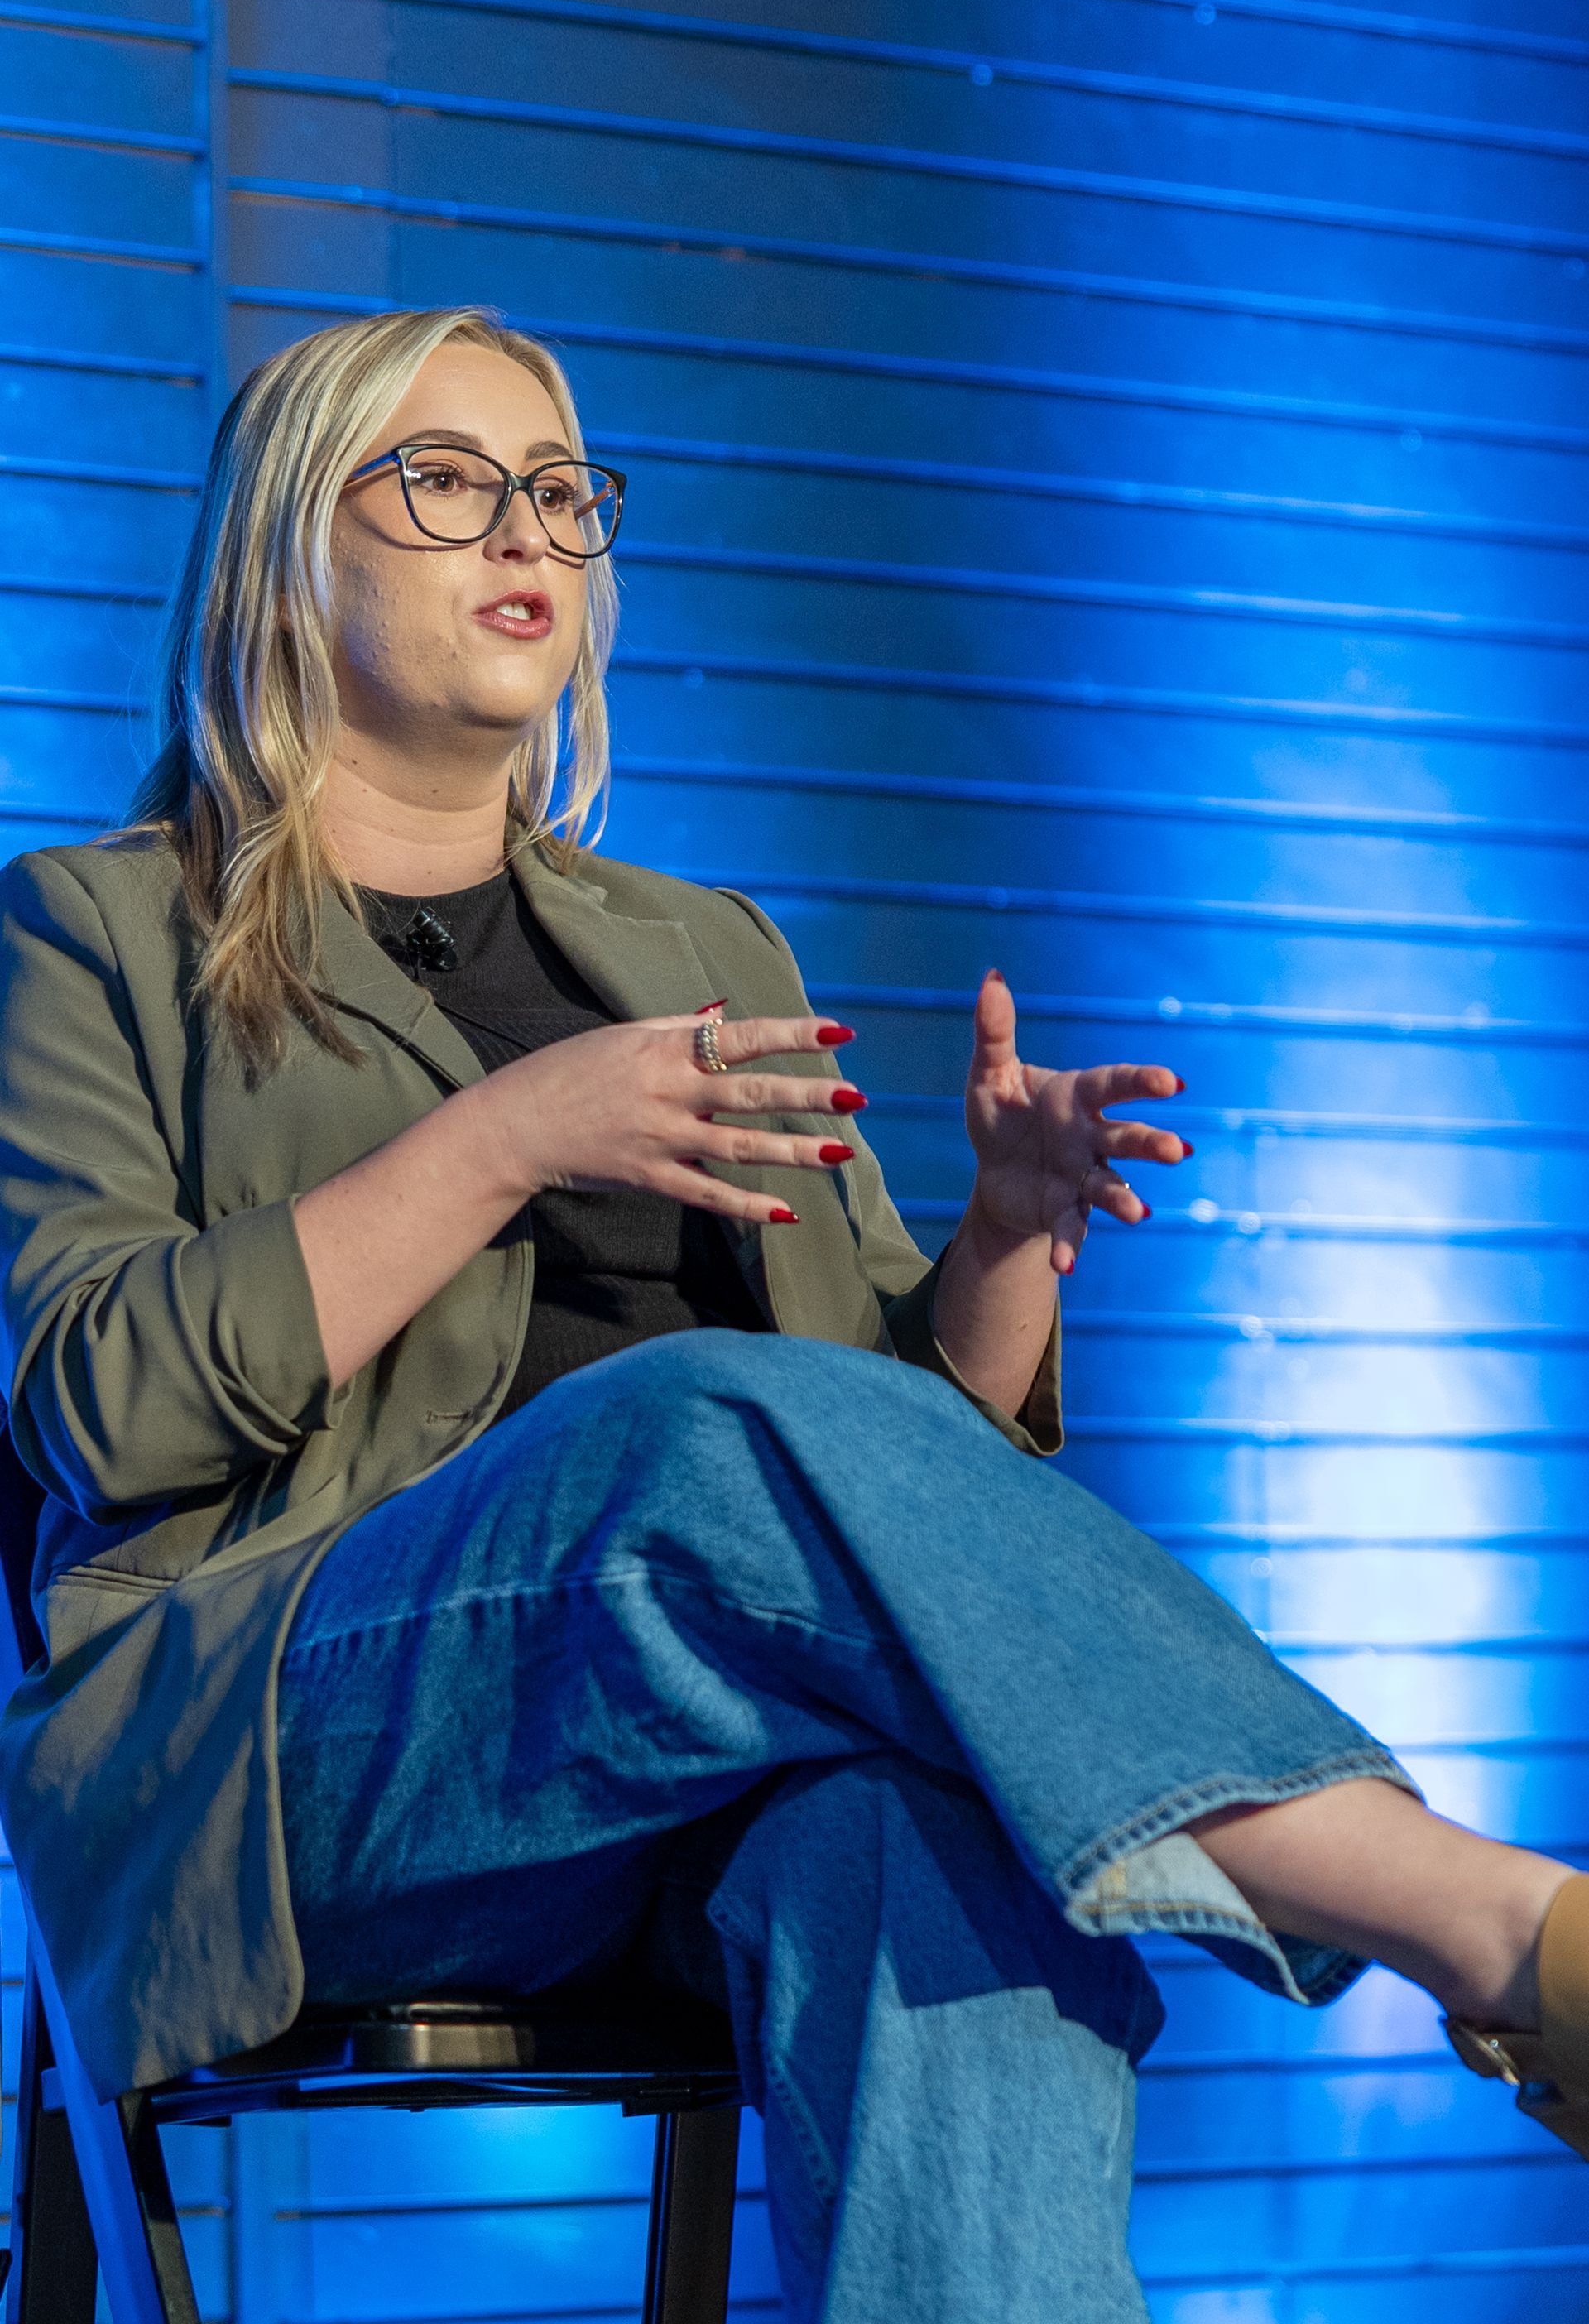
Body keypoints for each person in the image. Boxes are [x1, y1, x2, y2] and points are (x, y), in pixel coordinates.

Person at [0, 305, 1582, 2324]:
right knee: (688, 1430)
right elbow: (95, 1405)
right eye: (450, 481)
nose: (531, 539)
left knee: (921, 1845)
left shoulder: (703, 943)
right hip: (293, 1755)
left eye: (565, 497)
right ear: (283, 545)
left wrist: (1007, 1248)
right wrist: (507, 1135)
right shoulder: (92, 930)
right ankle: (1496, 1926)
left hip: (683, 1759)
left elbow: (885, 1458)